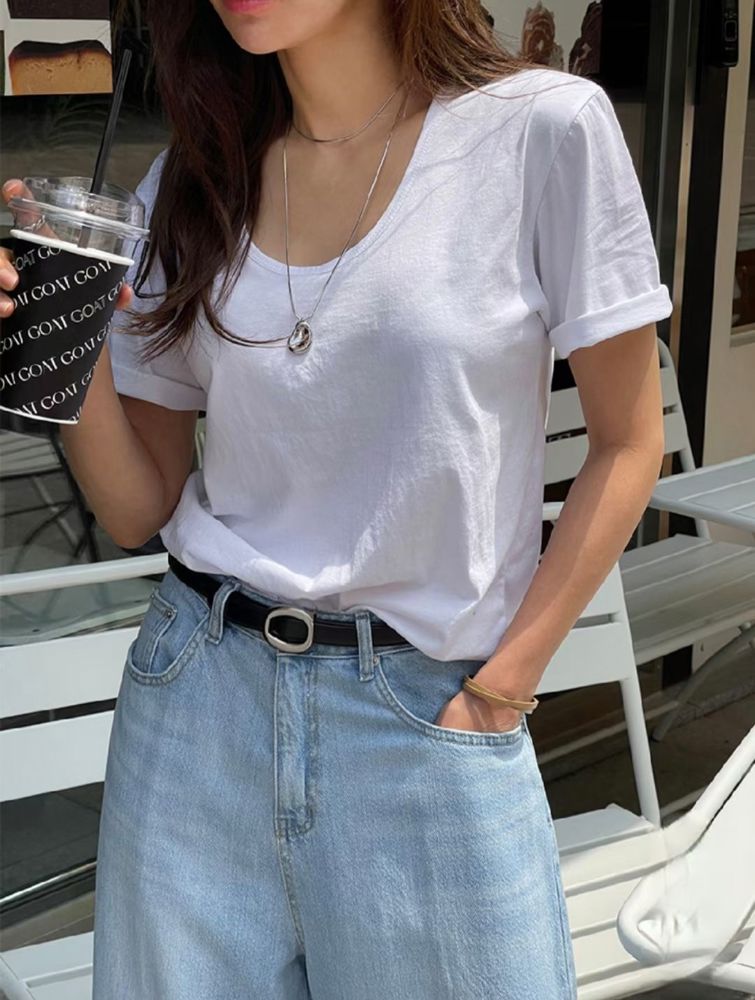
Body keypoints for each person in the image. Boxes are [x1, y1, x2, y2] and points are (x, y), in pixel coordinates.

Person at [0, 0, 673, 996]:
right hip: (198, 712)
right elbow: (136, 507)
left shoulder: (541, 130)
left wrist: (501, 689)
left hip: (424, 717)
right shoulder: (196, 178)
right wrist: (58, 332)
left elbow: (627, 442)